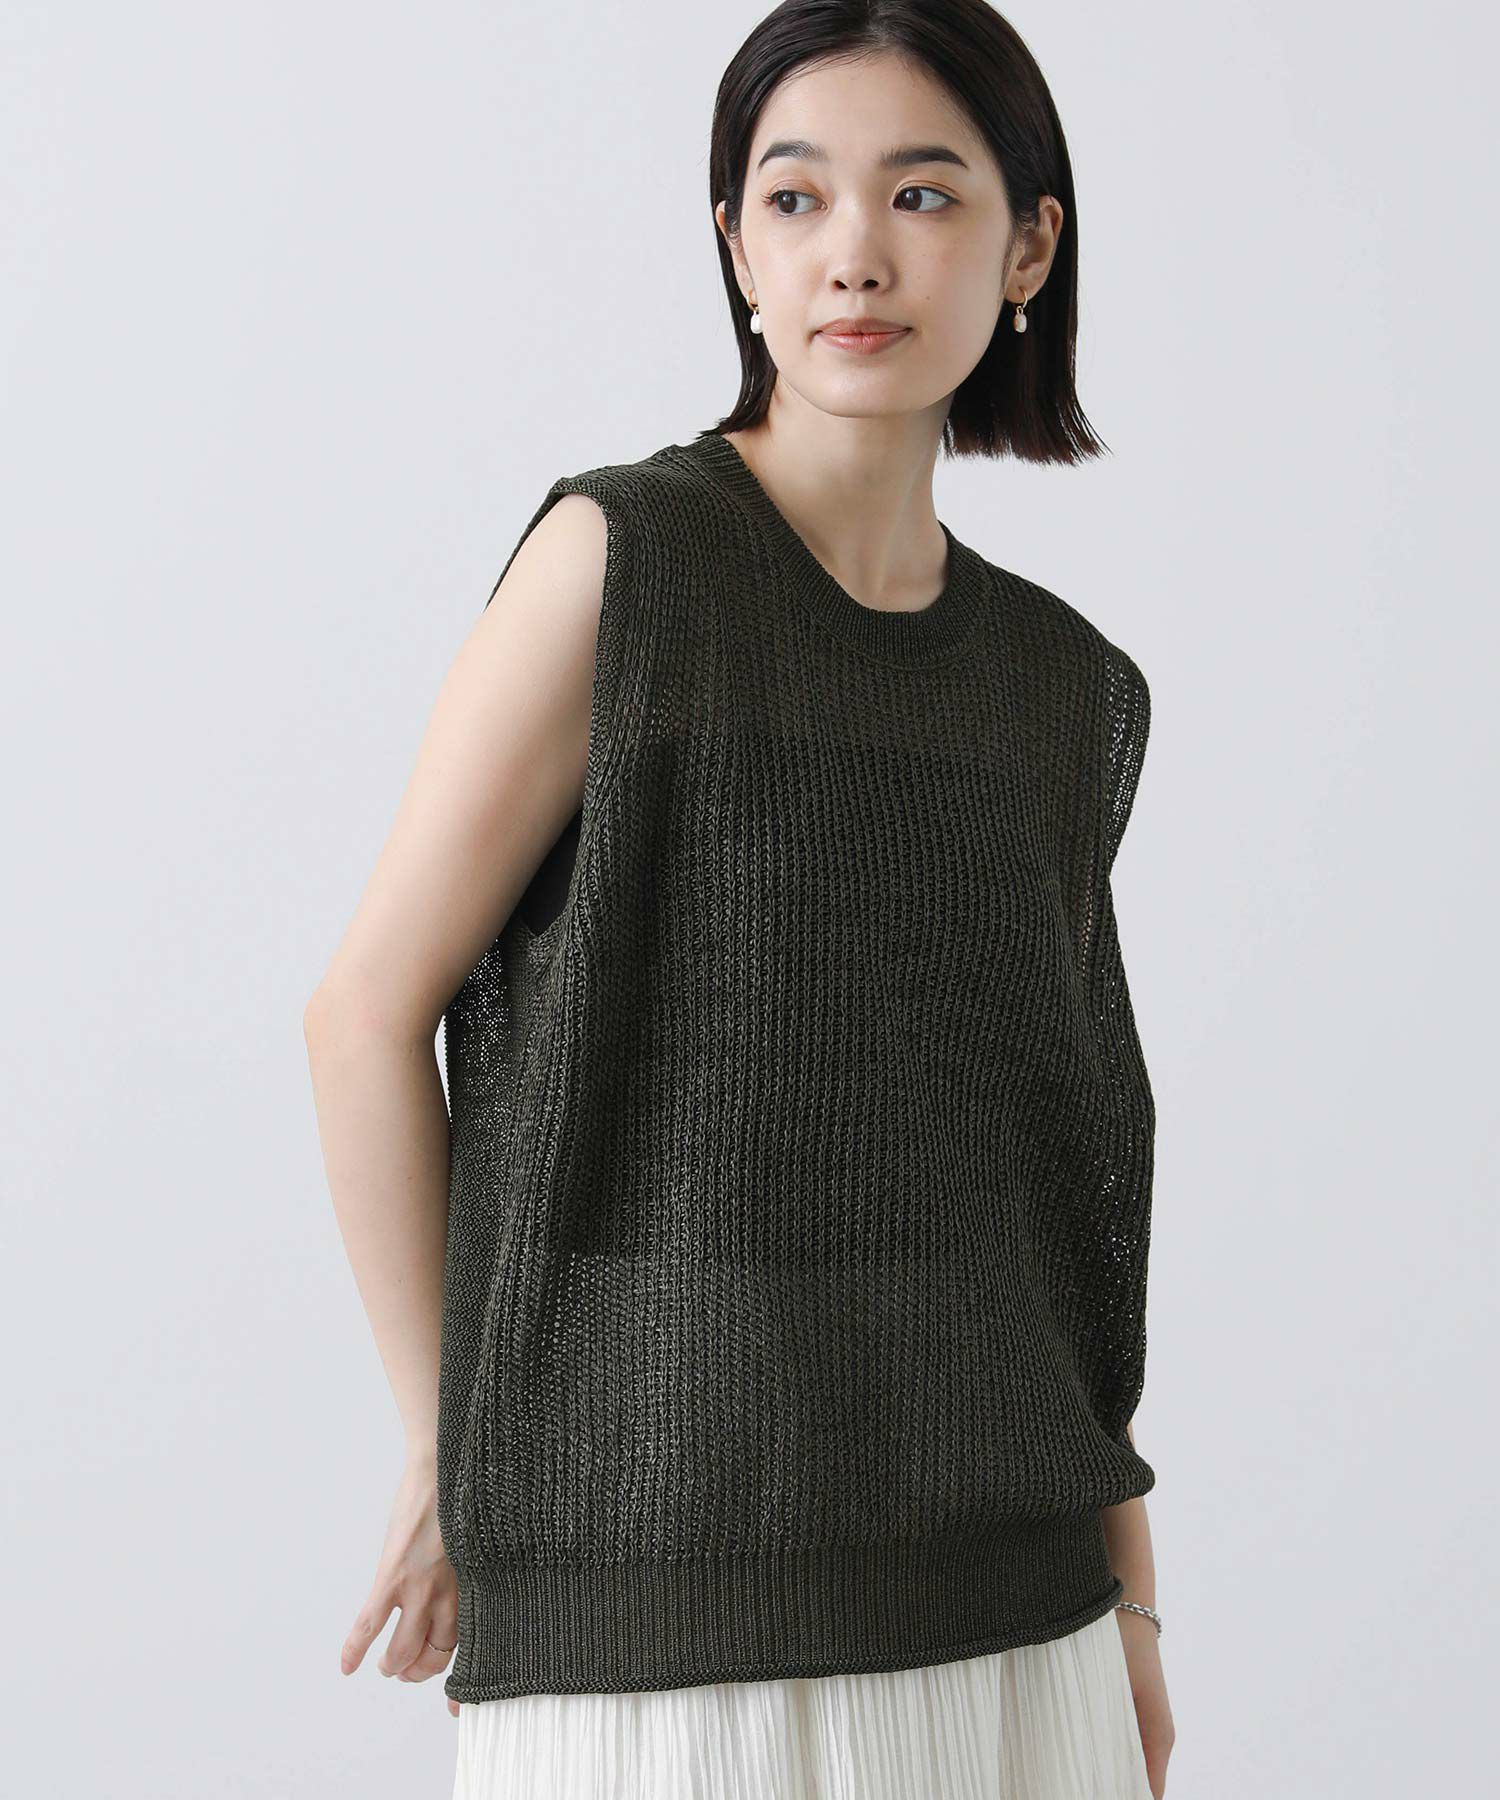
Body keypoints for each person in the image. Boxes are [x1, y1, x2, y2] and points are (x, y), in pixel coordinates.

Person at [303, 3, 1177, 1795]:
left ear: (1029, 246)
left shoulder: (1058, 686)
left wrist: (1134, 1599)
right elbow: (363, 1016)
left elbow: (1057, 1175)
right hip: (656, 1605)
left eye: (923, 195)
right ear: (737, 248)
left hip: (1018, 1612)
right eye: (795, 198)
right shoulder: (624, 566)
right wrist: (448, 1449)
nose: (855, 252)